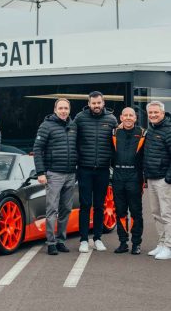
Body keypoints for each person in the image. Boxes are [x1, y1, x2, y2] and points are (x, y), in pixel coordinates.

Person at [74, 91, 117, 253]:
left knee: (99, 205)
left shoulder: (111, 119)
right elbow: (72, 139)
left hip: (103, 169)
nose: (96, 106)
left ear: (103, 103)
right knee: (85, 205)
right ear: (89, 103)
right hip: (84, 169)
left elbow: (116, 144)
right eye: (93, 103)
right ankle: (84, 240)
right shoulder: (80, 118)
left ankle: (98, 238)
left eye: (99, 103)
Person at [33, 99, 77, 255]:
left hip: (70, 174)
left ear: (69, 110)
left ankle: (61, 241)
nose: (63, 111)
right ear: (55, 109)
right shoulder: (46, 126)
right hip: (54, 174)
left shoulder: (73, 126)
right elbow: (37, 149)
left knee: (66, 209)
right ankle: (51, 242)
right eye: (61, 108)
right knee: (52, 209)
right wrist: (40, 172)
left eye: (66, 108)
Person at [111, 107, 145, 255]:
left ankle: (136, 244)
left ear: (135, 118)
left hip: (134, 177)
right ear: (121, 117)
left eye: (131, 115)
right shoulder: (114, 133)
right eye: (126, 115)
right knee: (120, 211)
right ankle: (123, 242)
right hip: (118, 176)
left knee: (136, 211)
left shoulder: (143, 134)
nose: (128, 118)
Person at [143, 101, 171, 260]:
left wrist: (168, 178)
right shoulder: (151, 130)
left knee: (167, 214)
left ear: (163, 113)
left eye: (156, 112)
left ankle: (169, 246)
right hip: (152, 178)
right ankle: (161, 243)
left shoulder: (168, 130)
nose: (153, 115)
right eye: (150, 113)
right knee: (156, 214)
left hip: (164, 180)